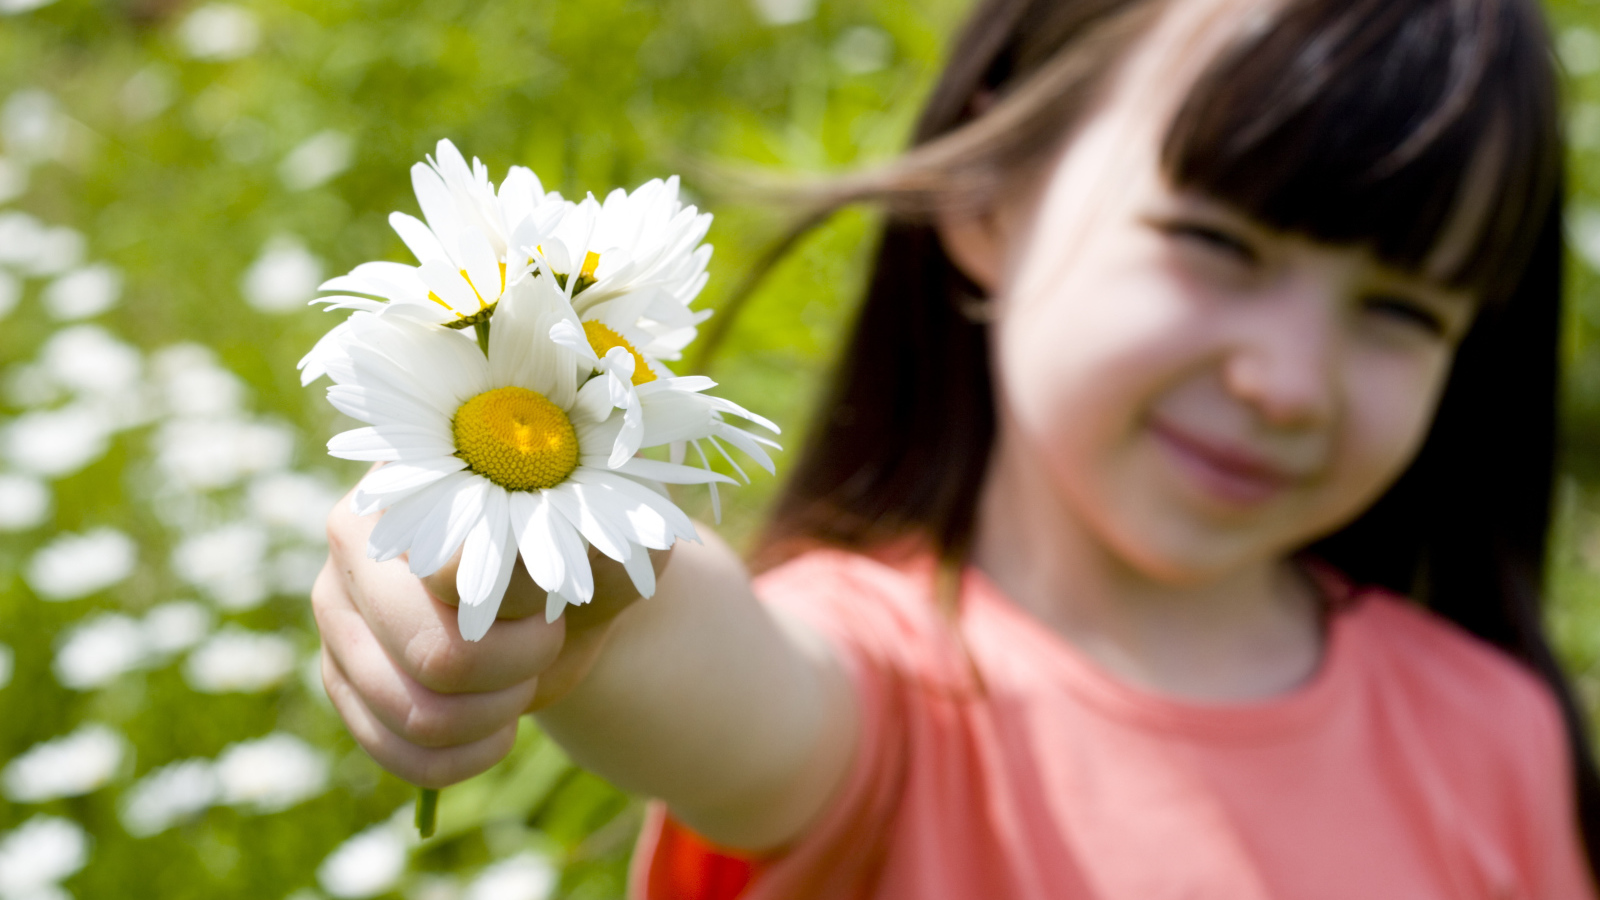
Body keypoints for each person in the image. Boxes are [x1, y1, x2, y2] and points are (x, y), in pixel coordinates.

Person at [311, 0, 1600, 894]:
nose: (1287, 384)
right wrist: (570, 588)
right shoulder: (886, 696)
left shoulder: (1497, 734)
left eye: (1400, 311)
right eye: (1218, 244)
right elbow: (712, 669)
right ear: (992, 192)